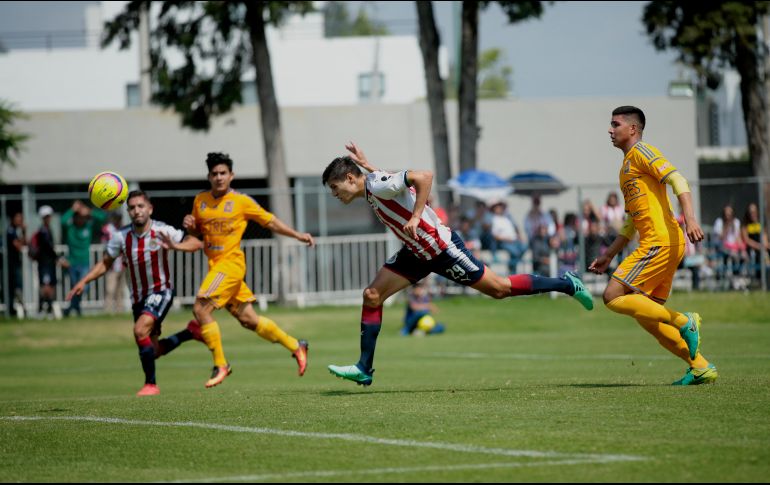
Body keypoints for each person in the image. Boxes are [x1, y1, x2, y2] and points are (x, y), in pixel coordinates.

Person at [323, 142, 593, 386]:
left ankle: (566, 283)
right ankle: (364, 368)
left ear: (349, 178)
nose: (335, 194)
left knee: (499, 289)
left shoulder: (377, 184)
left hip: (441, 249)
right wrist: (368, 164)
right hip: (416, 252)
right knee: (372, 295)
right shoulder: (372, 184)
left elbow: (424, 176)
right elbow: (386, 183)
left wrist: (416, 216)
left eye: (335, 188)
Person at [162, 152, 315, 388]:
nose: (219, 177)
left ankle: (221, 364)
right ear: (209, 176)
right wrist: (179, 241)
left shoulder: (242, 202)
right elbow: (196, 240)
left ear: (231, 176)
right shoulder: (200, 201)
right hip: (216, 267)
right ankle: (296, 345)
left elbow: (270, 221)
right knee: (248, 320)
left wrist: (297, 235)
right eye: (215, 174)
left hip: (231, 265)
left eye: (223, 173)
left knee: (201, 308)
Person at [589, 105, 717, 385]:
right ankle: (700, 366)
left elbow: (678, 178)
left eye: (616, 124)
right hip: (665, 244)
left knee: (612, 295)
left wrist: (691, 219)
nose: (610, 130)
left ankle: (686, 322)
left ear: (632, 129)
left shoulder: (643, 152)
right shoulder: (626, 168)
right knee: (650, 319)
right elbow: (631, 221)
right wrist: (609, 254)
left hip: (660, 242)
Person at [66, 190, 204, 396]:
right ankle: (190, 332)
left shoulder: (162, 230)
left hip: (161, 291)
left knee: (140, 330)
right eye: (132, 207)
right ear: (128, 211)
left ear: (150, 209)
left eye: (140, 206)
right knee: (153, 351)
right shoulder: (120, 237)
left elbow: (196, 242)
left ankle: (151, 385)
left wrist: (175, 245)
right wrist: (83, 281)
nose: (136, 211)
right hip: (138, 298)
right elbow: (105, 263)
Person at [61, 200, 108, 317]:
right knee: (75, 287)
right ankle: (76, 309)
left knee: (84, 288)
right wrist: (73, 210)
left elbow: (103, 218)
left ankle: (71, 308)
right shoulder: (70, 228)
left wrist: (89, 212)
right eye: (79, 217)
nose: (81, 219)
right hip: (71, 262)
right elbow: (62, 221)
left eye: (83, 217)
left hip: (85, 263)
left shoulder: (89, 226)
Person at [28, 206, 64, 320]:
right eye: (46, 217)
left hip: (49, 262)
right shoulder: (43, 231)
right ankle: (44, 308)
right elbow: (47, 247)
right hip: (44, 263)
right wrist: (58, 257)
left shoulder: (48, 229)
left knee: (50, 285)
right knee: (46, 287)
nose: (48, 218)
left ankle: (48, 308)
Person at [489, 200, 527, 273]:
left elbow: (515, 227)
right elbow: (495, 236)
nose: (500, 208)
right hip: (504, 242)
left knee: (524, 246)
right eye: (498, 207)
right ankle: (512, 269)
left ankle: (512, 266)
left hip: (515, 241)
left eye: (501, 207)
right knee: (515, 252)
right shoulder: (494, 219)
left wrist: (519, 236)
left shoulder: (507, 217)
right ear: (494, 209)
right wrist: (507, 239)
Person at [101, 211, 126, 314]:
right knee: (110, 289)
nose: (118, 220)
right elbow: (104, 244)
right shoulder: (107, 229)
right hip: (111, 264)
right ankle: (108, 310)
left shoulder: (123, 228)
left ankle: (119, 310)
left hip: (122, 264)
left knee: (120, 290)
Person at [741, 202, 770, 284]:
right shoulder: (745, 225)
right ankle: (759, 279)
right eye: (750, 212)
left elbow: (764, 236)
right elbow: (746, 240)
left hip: (761, 246)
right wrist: (758, 246)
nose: (752, 214)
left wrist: (766, 245)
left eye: (754, 212)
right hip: (752, 248)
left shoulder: (760, 223)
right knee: (758, 255)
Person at [5, 212, 27, 318]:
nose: (20, 221)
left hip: (15, 264)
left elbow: (24, 243)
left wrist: (23, 231)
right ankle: (16, 309)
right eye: (18, 218)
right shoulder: (10, 231)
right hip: (10, 265)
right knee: (14, 288)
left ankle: (13, 310)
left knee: (15, 287)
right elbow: (19, 246)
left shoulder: (15, 231)